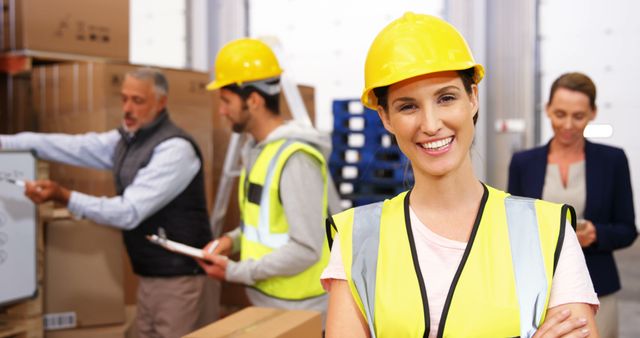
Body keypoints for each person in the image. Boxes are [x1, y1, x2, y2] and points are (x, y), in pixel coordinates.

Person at [321, 12, 600, 338]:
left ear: (472, 98)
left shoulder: (547, 231)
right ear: (385, 117)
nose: (430, 124)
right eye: (407, 106)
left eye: (446, 98)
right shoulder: (357, 238)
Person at [0, 68, 217, 338]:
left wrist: (64, 196)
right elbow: (71, 147)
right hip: (152, 273)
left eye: (137, 101)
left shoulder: (175, 150)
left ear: (161, 102)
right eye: (124, 99)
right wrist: (5, 143)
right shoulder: (126, 140)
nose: (127, 108)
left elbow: (128, 212)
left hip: (180, 278)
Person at [197, 38, 340, 321]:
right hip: (270, 301)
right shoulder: (259, 152)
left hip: (300, 310)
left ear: (253, 100)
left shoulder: (295, 159)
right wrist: (231, 241)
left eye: (226, 101)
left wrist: (234, 271)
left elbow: (305, 248)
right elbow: (267, 225)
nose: (222, 111)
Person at [508, 72, 637, 338]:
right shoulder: (524, 163)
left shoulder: (613, 161)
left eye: (578, 116)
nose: (567, 124)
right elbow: (514, 229)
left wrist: (596, 235)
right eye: (559, 114)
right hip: (537, 292)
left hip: (598, 289)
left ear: (592, 113)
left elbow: (627, 228)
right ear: (547, 110)